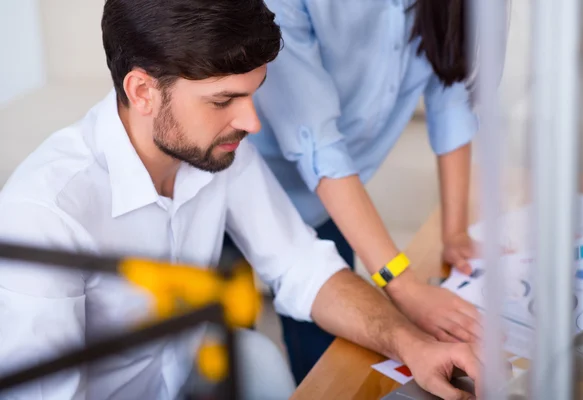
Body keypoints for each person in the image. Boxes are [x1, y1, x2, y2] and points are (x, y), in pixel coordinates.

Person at [0, 1, 482, 399]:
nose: (252, 122)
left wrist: (410, 342)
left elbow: (300, 266)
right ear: (143, 90)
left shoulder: (216, 151)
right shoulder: (45, 217)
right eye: (223, 100)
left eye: (253, 94)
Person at [249, 0, 490, 384]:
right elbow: (318, 146)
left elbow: (452, 91)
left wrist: (455, 232)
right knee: (226, 353)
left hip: (327, 202)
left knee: (329, 365)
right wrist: (405, 287)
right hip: (238, 177)